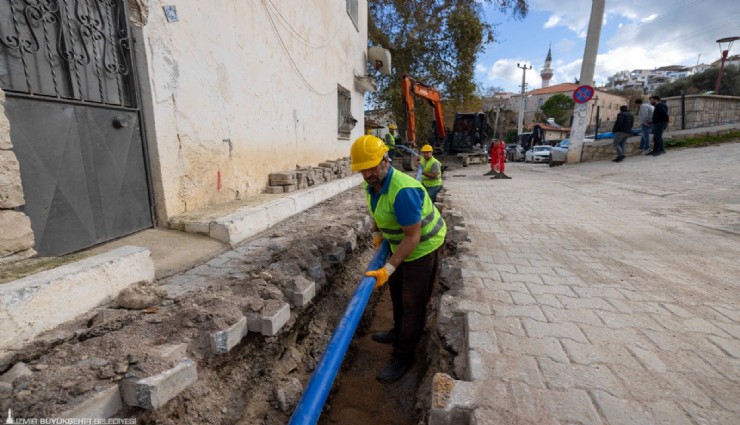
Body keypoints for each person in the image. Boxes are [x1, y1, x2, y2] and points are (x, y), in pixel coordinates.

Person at [349, 135, 446, 383]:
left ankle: (404, 356)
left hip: (423, 247)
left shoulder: (403, 190)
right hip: (398, 244)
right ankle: (397, 330)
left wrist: (388, 268)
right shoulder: (371, 185)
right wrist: (379, 233)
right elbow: (376, 211)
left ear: (385, 160)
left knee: (413, 304)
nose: (368, 173)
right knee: (396, 293)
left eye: (372, 166)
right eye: (363, 169)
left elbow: (412, 238)